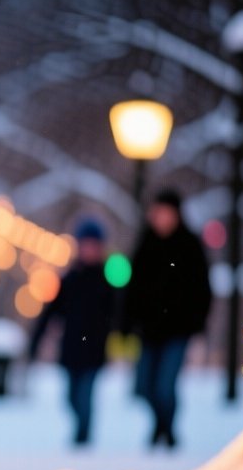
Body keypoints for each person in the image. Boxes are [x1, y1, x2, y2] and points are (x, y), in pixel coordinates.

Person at [124, 189, 211, 449]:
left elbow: (201, 288)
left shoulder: (189, 245)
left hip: (177, 329)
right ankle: (160, 424)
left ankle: (168, 430)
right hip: (149, 329)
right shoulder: (145, 244)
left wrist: (197, 321)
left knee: (165, 384)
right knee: (144, 386)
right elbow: (133, 288)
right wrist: (128, 321)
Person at [28, 219, 119, 446]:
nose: (89, 250)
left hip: (94, 350)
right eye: (85, 244)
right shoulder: (70, 279)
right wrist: (35, 341)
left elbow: (118, 314)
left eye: (93, 245)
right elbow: (51, 313)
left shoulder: (107, 281)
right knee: (69, 397)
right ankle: (81, 429)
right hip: (70, 349)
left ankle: (83, 436)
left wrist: (118, 335)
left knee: (85, 395)